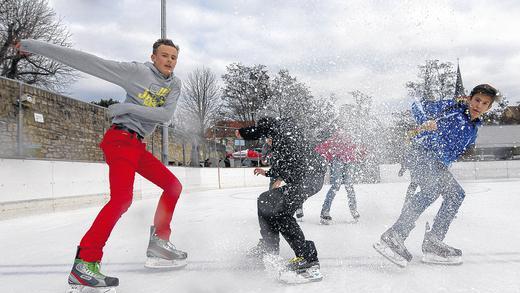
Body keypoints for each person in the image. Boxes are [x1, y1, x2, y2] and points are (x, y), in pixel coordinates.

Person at [16, 38, 188, 291]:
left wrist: (126, 106)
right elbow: (89, 62)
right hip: (120, 139)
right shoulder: (136, 72)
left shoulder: (175, 84)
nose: (169, 61)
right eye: (164, 56)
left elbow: (165, 116)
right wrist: (32, 45)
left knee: (172, 186)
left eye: (174, 57)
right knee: (121, 200)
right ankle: (85, 263)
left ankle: (159, 243)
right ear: (153, 57)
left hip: (136, 145)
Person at [373, 84, 499, 267]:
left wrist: (443, 165)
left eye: (484, 103)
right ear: (470, 98)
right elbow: (417, 105)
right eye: (477, 100)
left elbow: (451, 152)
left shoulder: (473, 130)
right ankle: (395, 235)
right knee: (431, 190)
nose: (479, 105)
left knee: (456, 194)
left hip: (438, 164)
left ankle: (433, 242)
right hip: (420, 152)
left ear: (488, 108)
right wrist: (425, 122)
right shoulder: (452, 108)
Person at [237, 116, 326, 283]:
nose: (267, 142)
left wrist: (243, 133)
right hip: (307, 177)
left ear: (270, 131)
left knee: (280, 211)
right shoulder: (283, 135)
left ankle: (307, 259)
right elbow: (287, 160)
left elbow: (293, 158)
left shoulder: (283, 134)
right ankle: (269, 247)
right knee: (265, 201)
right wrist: (270, 174)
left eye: (267, 138)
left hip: (310, 178)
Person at [315, 129, 366, 224]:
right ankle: (325, 211)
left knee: (349, 185)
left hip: (350, 160)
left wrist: (360, 154)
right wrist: (320, 152)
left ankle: (353, 210)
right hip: (338, 160)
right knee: (336, 185)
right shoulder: (337, 135)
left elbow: (359, 148)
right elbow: (325, 146)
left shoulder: (352, 135)